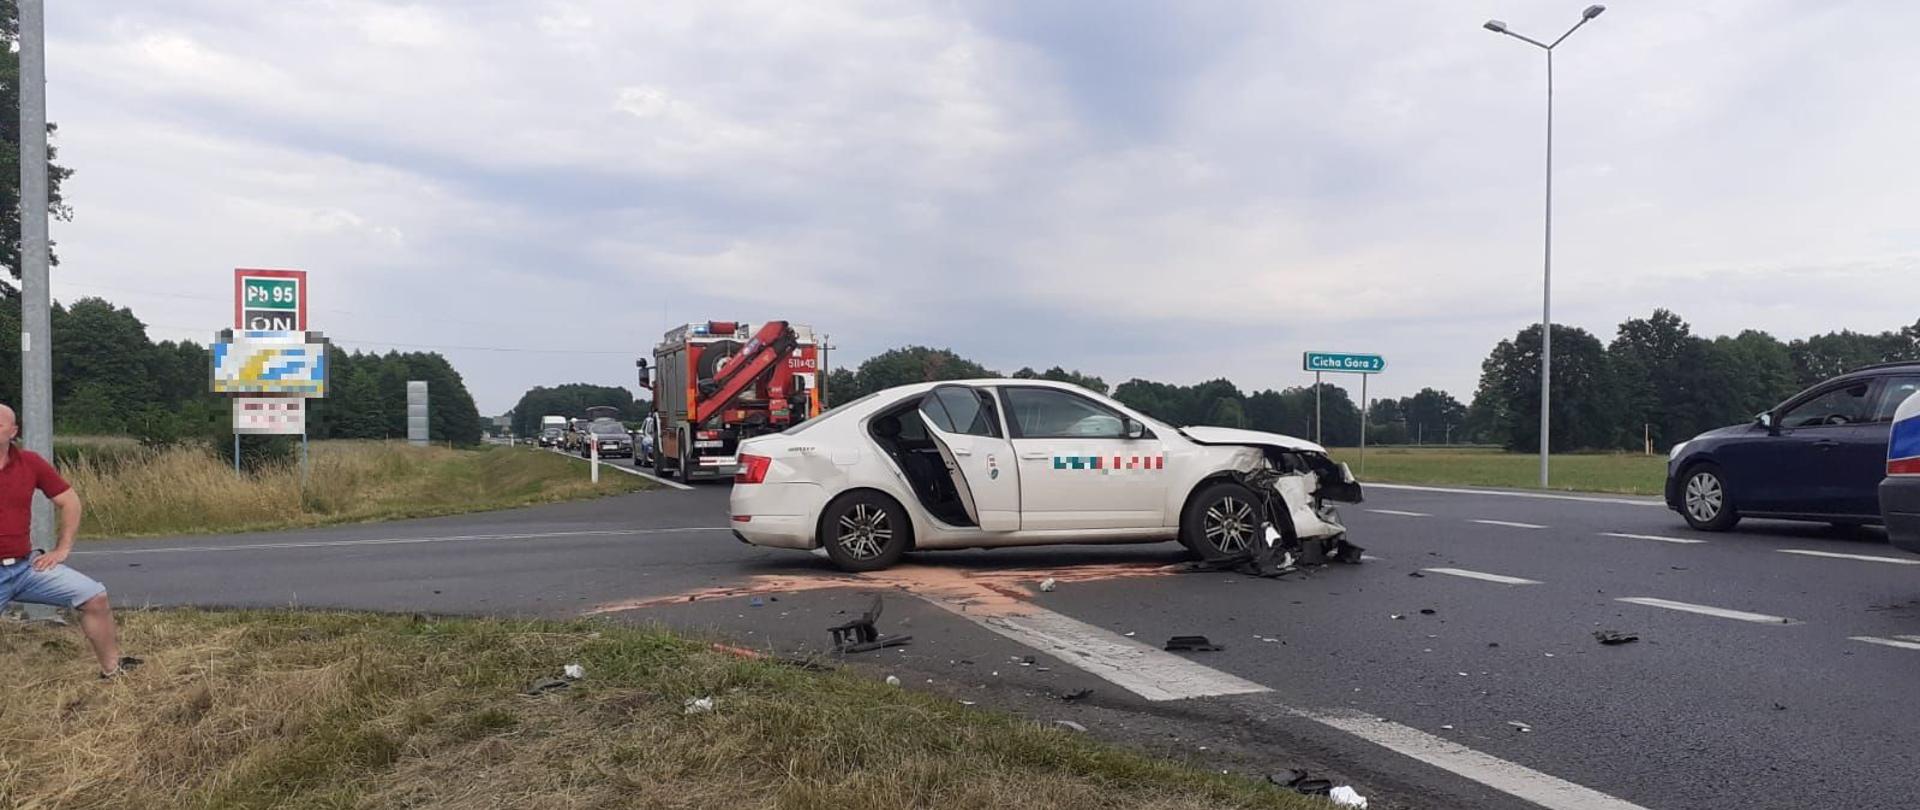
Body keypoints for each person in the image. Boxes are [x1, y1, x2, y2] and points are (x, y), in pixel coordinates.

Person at [0, 404, 137, 678]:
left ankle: (112, 671)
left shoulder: (30, 463)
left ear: (13, 431)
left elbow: (69, 501)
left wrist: (62, 548)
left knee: (94, 597)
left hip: (27, 568)